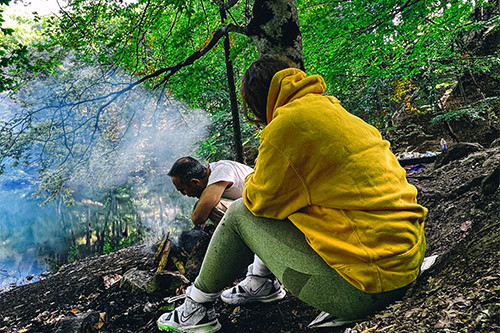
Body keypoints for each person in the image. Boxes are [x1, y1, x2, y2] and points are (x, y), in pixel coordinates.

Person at [157, 55, 428, 333]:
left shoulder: (286, 127)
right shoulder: (334, 110)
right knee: (284, 206)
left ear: (256, 102)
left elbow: (256, 202)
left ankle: (196, 308)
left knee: (239, 212)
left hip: (366, 289)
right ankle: (260, 283)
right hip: (405, 265)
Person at [167, 157, 286, 304]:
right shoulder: (216, 170)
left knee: (215, 208)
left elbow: (198, 217)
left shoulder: (221, 172)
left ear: (195, 182)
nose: (185, 194)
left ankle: (257, 268)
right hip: (268, 217)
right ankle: (260, 271)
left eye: (183, 190)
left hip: (276, 222)